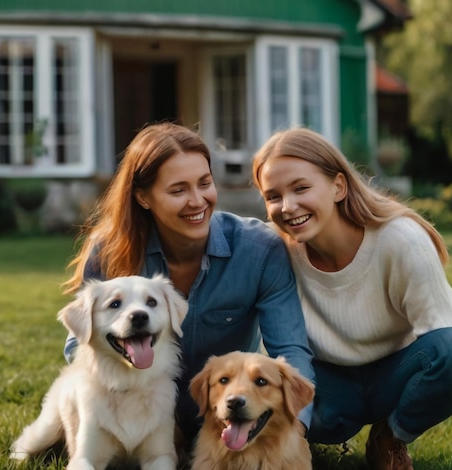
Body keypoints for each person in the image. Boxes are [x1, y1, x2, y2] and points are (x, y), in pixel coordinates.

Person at [61, 122, 314, 455]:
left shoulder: (260, 251)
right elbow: (76, 348)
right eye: (178, 190)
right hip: (136, 413)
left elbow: (291, 350)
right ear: (143, 197)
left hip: (228, 414)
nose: (197, 201)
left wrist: (297, 430)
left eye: (204, 183)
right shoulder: (110, 251)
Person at [252, 127, 452, 470]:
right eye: (273, 196)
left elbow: (449, 338)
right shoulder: (274, 250)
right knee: (274, 401)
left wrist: (413, 399)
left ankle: (390, 435)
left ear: (338, 186)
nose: (288, 206)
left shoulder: (400, 240)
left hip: (395, 374)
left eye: (301, 188)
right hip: (328, 384)